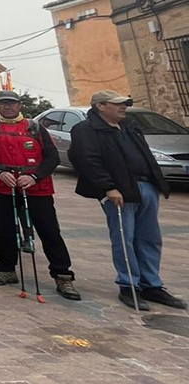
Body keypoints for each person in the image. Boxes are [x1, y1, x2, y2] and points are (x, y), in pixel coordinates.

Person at [69, 90, 185, 310]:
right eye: (118, 104)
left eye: (125, 104)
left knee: (150, 238)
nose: (123, 107)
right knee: (125, 239)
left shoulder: (130, 126)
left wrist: (157, 182)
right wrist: (108, 187)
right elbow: (87, 161)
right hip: (118, 192)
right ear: (101, 106)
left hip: (145, 187)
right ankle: (129, 286)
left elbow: (145, 155)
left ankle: (152, 285)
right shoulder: (85, 130)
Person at [0, 90, 79, 301]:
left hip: (36, 188)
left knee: (49, 230)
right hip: (3, 187)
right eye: (3, 103)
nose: (7, 107)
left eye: (11, 103)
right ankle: (6, 269)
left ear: (19, 105)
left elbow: (51, 158)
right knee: (5, 229)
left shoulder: (35, 127)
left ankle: (62, 275)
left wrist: (35, 176)